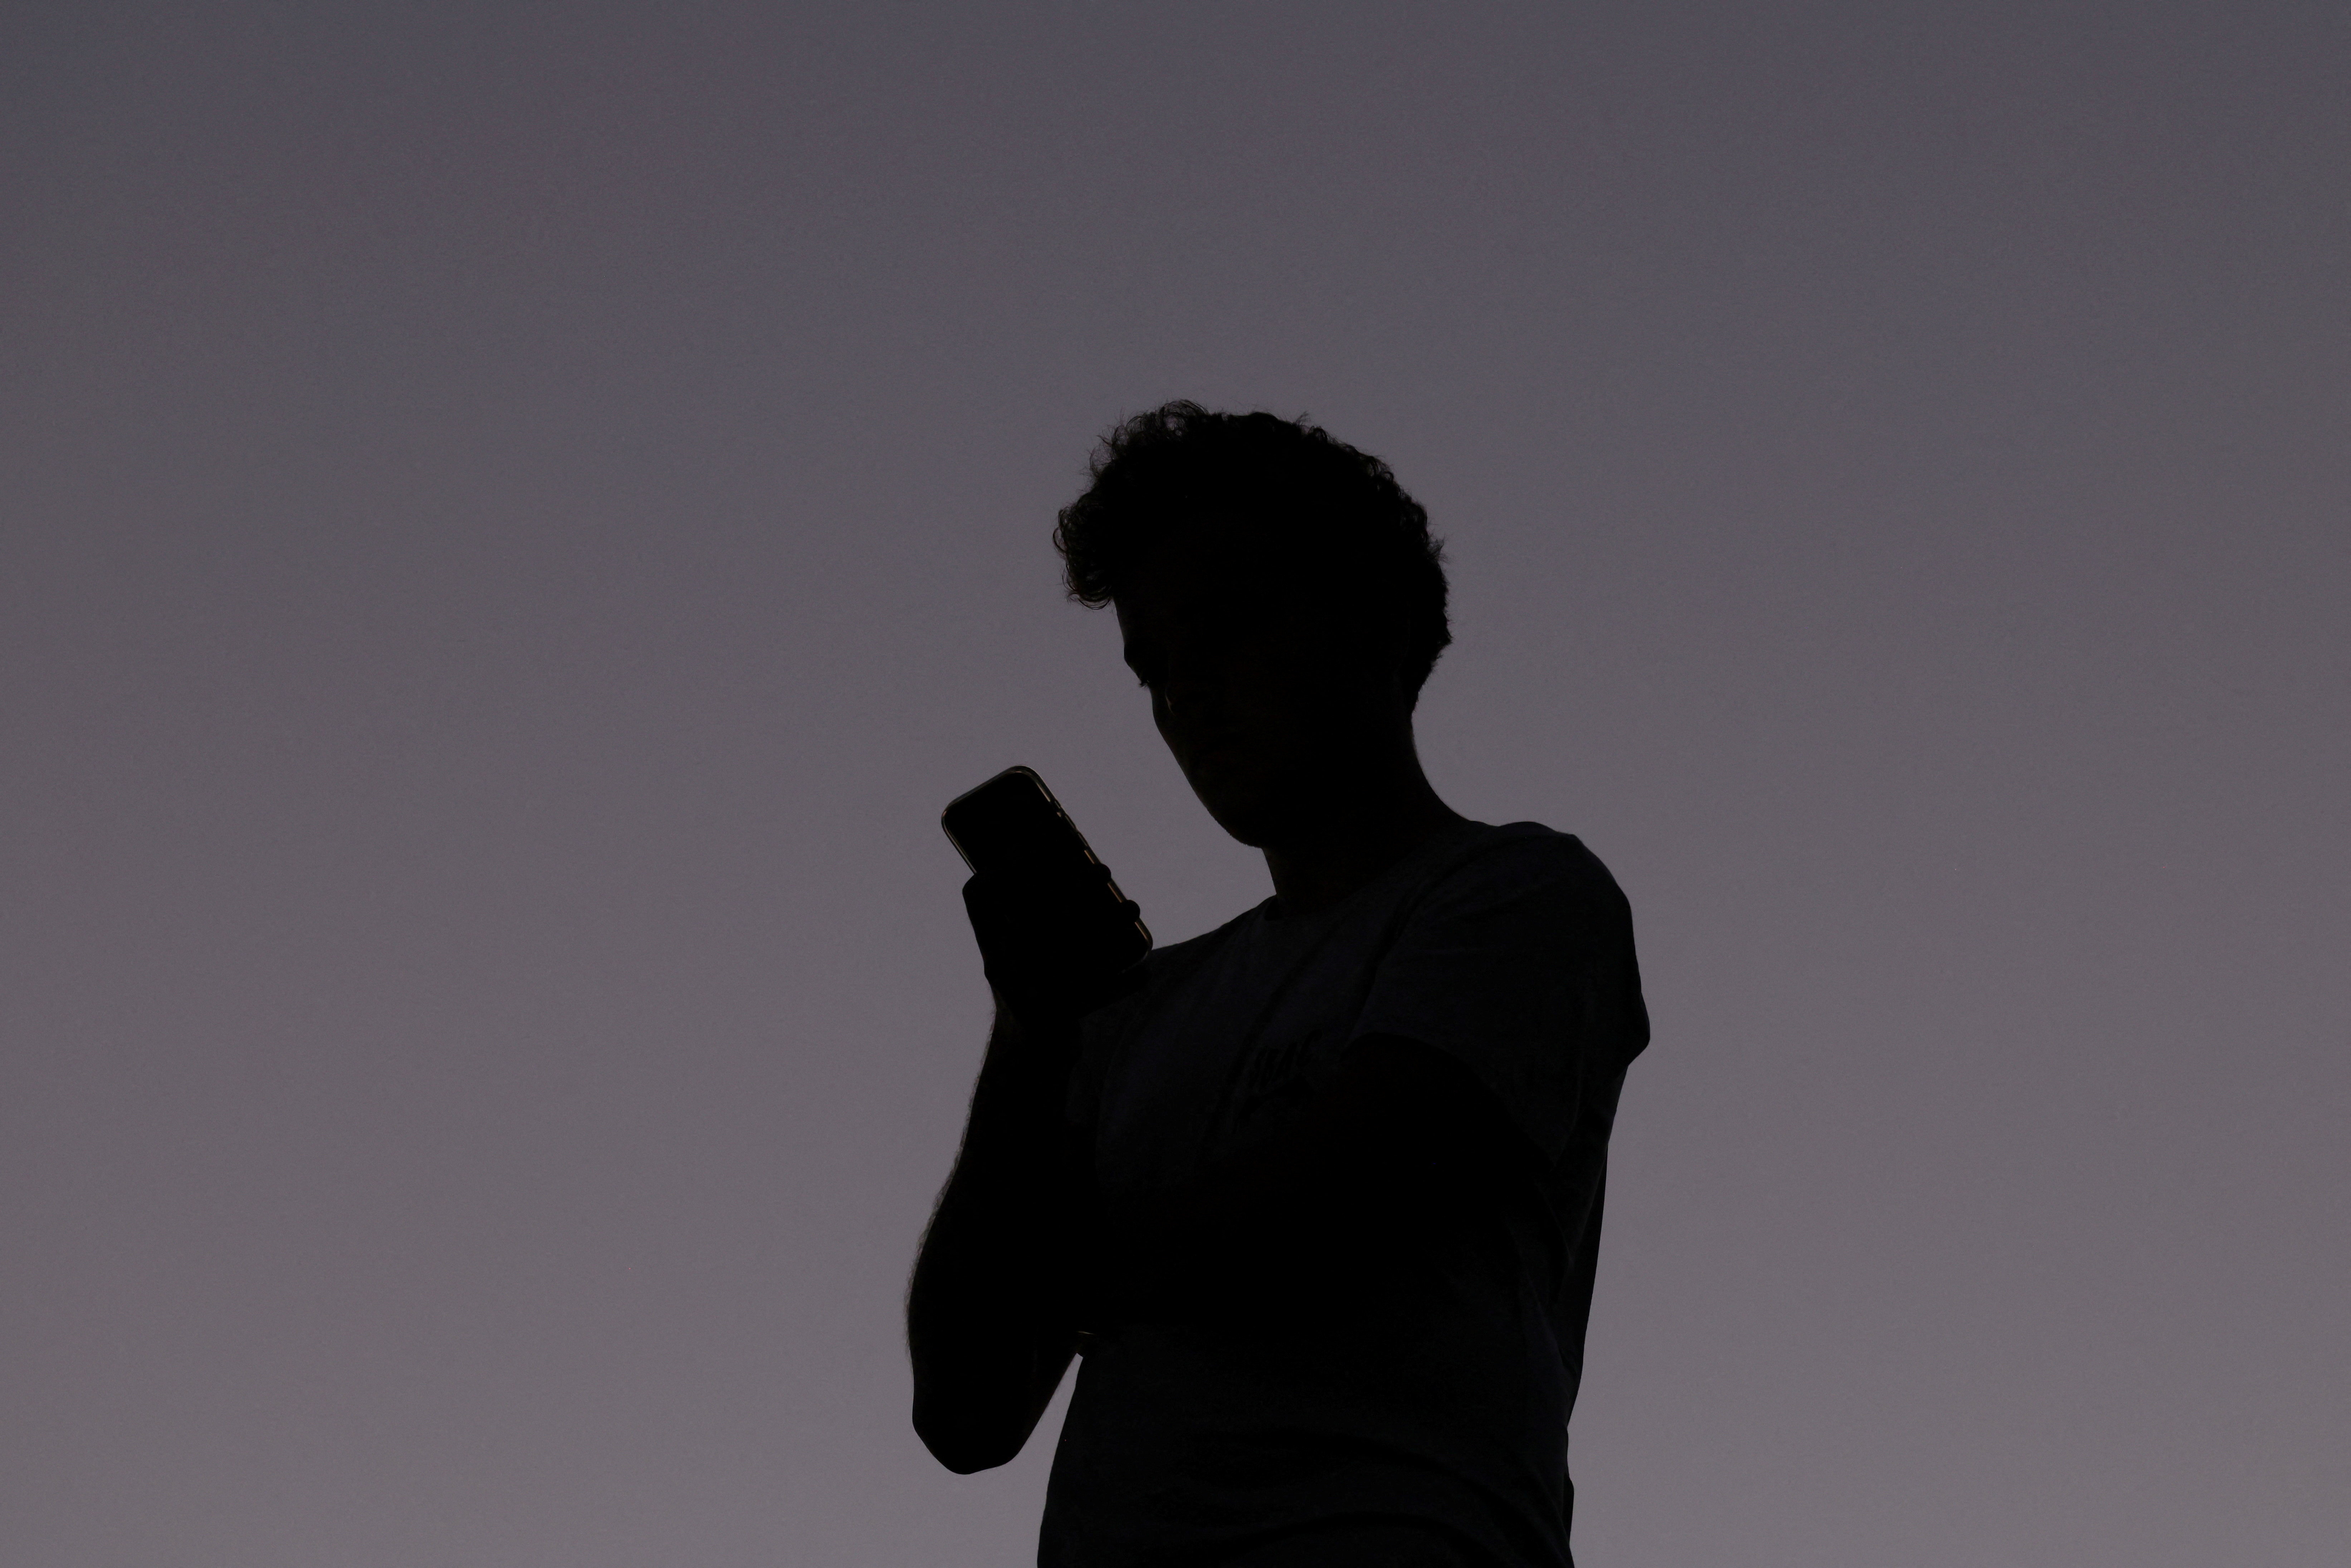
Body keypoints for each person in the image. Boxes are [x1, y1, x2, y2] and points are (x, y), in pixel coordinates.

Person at [906, 403, 1649, 1568]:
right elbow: (965, 1411)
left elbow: (1337, 1193)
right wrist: (1030, 1031)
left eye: (1228, 630)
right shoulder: (1129, 1015)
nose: (1185, 698)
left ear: (1380, 626)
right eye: (1153, 668)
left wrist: (1059, 1276)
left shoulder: (1517, 895)